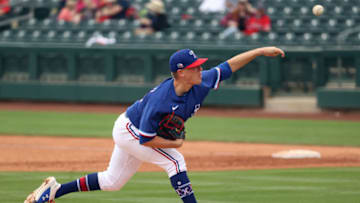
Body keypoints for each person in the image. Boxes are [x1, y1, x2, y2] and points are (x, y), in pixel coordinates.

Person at [24, 46, 285, 203]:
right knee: (174, 161)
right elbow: (145, 140)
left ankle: (54, 191)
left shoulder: (202, 81)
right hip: (131, 130)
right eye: (194, 67)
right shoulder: (161, 101)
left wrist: (261, 51)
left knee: (112, 181)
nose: (200, 70)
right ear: (181, 72)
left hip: (134, 129)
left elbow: (228, 67)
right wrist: (175, 143)